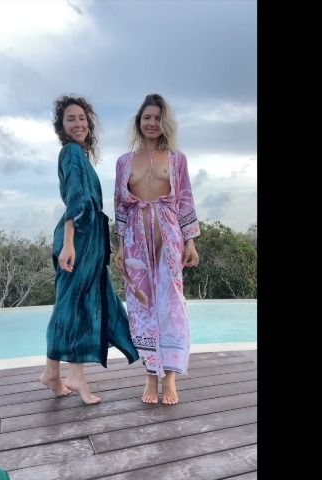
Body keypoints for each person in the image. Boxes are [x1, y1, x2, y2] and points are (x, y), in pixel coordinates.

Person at [40, 95, 140, 405]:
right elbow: (76, 198)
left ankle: (53, 373)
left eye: (82, 118)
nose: (78, 124)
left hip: (88, 237)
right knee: (78, 305)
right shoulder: (72, 152)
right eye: (71, 119)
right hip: (80, 238)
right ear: (61, 126)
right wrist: (70, 242)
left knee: (72, 304)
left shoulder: (77, 154)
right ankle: (75, 375)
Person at [113, 93, 200, 405]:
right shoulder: (124, 162)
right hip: (135, 241)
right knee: (141, 306)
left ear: (165, 123)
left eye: (157, 118)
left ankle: (170, 377)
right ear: (139, 122)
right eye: (147, 117)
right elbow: (120, 206)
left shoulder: (177, 159)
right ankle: (151, 375)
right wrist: (119, 247)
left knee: (171, 303)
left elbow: (185, 199)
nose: (152, 123)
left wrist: (190, 241)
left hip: (169, 239)